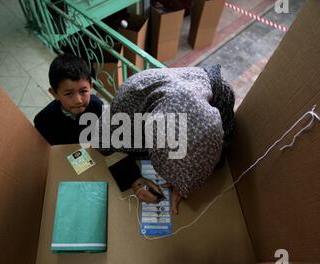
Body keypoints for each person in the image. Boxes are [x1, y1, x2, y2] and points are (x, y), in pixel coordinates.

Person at [89, 65, 235, 215]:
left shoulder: (223, 96)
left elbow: (222, 146)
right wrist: (134, 179)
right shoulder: (127, 103)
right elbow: (100, 142)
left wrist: (184, 183)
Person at [34, 52, 162, 203]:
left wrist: (134, 179)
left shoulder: (96, 106)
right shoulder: (43, 121)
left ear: (91, 86)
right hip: (73, 171)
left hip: (100, 162)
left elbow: (109, 142)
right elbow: (55, 155)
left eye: (83, 91)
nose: (78, 100)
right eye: (69, 93)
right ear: (54, 93)